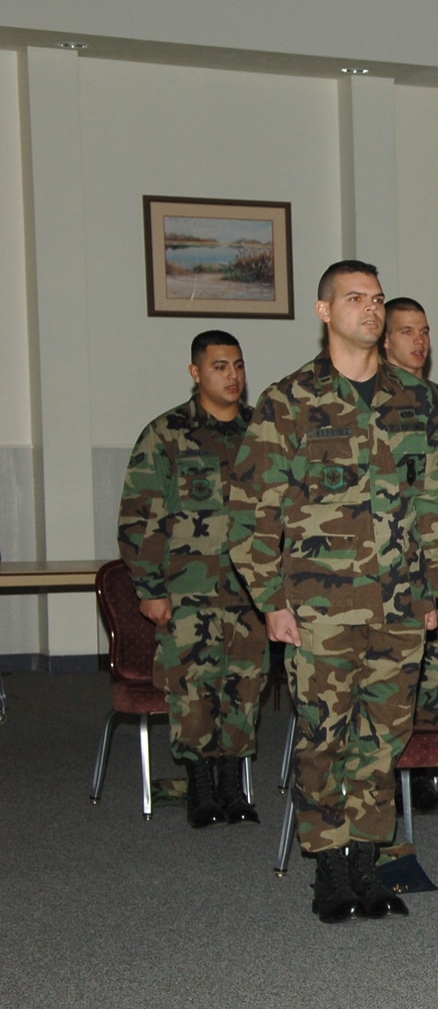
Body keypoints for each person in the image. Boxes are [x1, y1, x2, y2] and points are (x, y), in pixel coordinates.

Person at [231, 260, 438, 924]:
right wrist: (272, 599)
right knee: (325, 734)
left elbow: (433, 502)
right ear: (325, 311)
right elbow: (251, 510)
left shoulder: (416, 401)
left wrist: (433, 587)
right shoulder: (288, 402)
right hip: (320, 607)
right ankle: (329, 868)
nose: (371, 309)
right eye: (355, 298)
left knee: (384, 738)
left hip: (403, 602)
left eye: (378, 299)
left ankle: (367, 860)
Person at [116, 330, 266, 828]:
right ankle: (201, 787)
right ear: (196, 372)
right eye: (220, 366)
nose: (233, 376)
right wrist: (150, 589)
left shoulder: (260, 432)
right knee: (192, 687)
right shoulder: (166, 434)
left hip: (250, 591)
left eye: (239, 365)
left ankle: (233, 785)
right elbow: (139, 516)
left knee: (244, 686)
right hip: (187, 589)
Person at [382, 297, 438, 813]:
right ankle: (384, 778)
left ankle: (420, 773)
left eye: (425, 331)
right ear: (386, 340)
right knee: (393, 675)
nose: (419, 341)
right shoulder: (374, 401)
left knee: (437, 670)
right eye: (407, 331)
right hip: (390, 563)